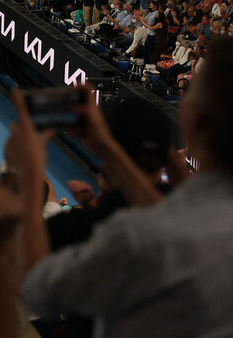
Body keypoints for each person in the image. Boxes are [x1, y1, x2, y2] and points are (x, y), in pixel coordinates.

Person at [19, 38, 233, 337]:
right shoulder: (187, 217)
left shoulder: (125, 236)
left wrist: (33, 149)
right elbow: (178, 214)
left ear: (193, 122)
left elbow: (36, 291)